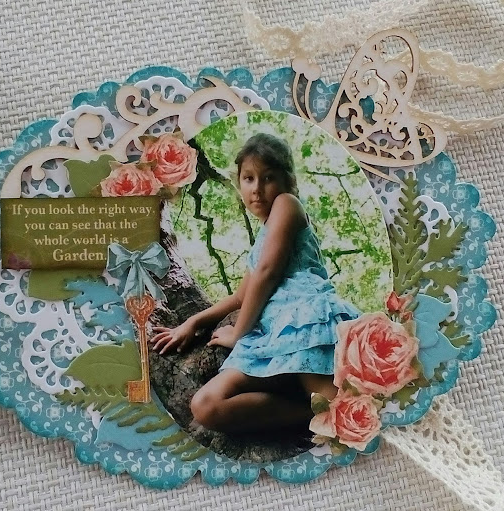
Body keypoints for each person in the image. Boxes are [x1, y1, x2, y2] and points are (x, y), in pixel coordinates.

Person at [150, 132, 360, 434]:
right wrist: (192, 322)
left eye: (268, 178)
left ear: (288, 181)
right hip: (270, 337)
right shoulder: (261, 243)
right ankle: (310, 412)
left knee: (340, 406)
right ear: (239, 184)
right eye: (248, 179)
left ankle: (327, 411)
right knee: (206, 406)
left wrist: (238, 332)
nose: (257, 189)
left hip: (306, 323)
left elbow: (267, 273)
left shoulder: (288, 204)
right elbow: (240, 297)